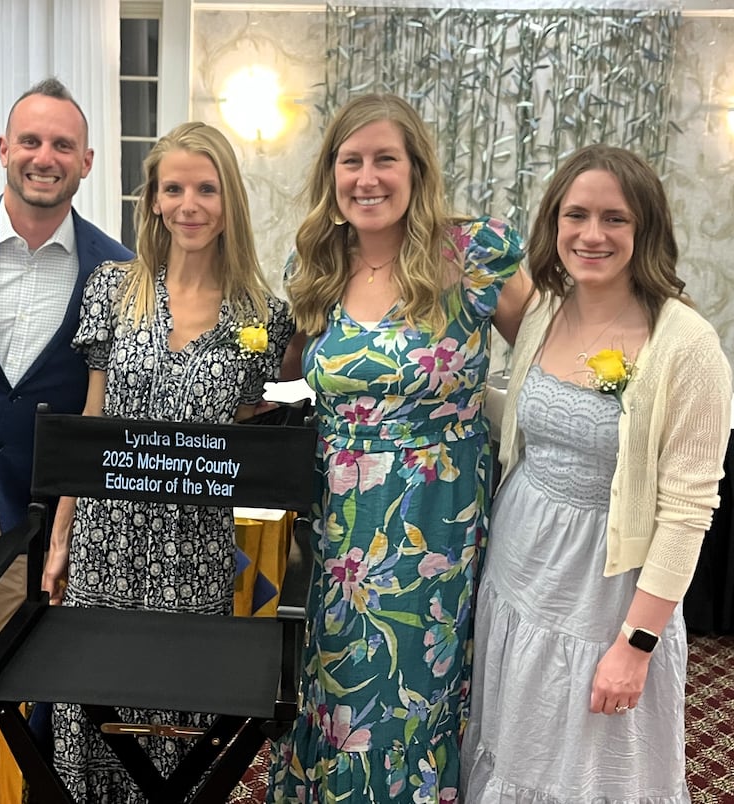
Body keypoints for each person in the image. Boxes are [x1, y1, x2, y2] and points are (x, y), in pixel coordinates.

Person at [267, 93, 531, 803]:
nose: (367, 177)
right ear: (332, 175)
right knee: (336, 682)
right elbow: (288, 377)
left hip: (433, 526)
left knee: (414, 693)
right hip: (336, 526)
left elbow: (549, 354)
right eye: (350, 161)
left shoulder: (471, 255)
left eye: (386, 159)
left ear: (416, 170)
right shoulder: (319, 258)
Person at [460, 144, 732, 802]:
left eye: (615, 218)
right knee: (514, 743)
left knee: (588, 765)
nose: (591, 234)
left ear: (647, 230)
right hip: (520, 568)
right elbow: (537, 416)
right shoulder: (547, 310)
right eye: (575, 214)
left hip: (605, 593)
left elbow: (688, 513)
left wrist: (636, 644)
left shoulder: (687, 344)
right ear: (553, 224)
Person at [41, 121, 295, 801]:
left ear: (228, 201)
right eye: (174, 187)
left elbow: (246, 423)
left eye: (206, 188)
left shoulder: (264, 316)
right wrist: (61, 533)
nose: (190, 203)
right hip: (108, 535)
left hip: (195, 548)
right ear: (152, 199)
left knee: (179, 710)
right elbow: (93, 421)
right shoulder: (113, 289)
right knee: (95, 701)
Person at [0, 77, 132, 689]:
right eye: (31, 141)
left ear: (87, 162)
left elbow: (102, 403)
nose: (45, 157)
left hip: (29, 519)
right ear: (3, 148)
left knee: (19, 697)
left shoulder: (119, 271)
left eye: (63, 146)